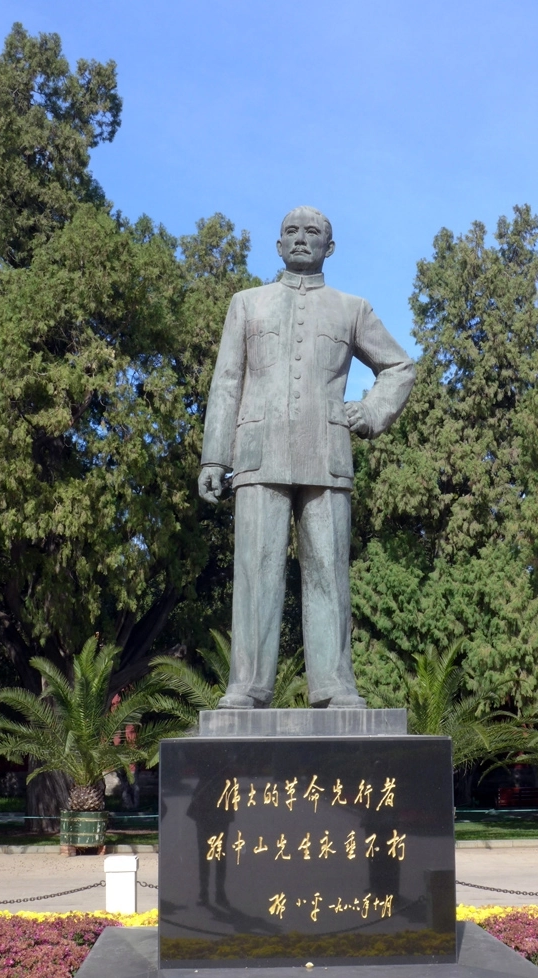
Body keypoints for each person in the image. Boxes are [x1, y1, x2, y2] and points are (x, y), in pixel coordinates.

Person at [198, 206, 415, 709]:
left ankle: (334, 686)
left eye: (312, 232)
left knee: (328, 573)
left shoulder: (351, 309)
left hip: (327, 454)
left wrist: (371, 412)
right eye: (291, 232)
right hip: (257, 455)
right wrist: (214, 457)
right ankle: (247, 685)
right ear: (278, 246)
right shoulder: (246, 304)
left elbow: (400, 366)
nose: (301, 239)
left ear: (329, 248)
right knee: (256, 571)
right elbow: (226, 382)